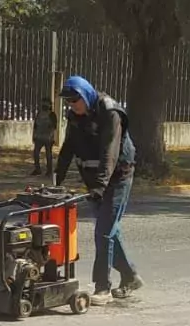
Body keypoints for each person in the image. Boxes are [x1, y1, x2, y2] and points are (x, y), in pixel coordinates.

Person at [53, 75, 144, 306]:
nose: (72, 106)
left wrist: (101, 186)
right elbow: (68, 148)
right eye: (69, 103)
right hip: (95, 180)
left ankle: (102, 287)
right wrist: (56, 179)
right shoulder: (75, 116)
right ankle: (131, 276)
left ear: (86, 95)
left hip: (118, 177)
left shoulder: (110, 113)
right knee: (109, 231)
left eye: (76, 101)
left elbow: (110, 152)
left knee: (103, 231)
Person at [31, 98, 57, 176]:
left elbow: (54, 127)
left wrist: (51, 136)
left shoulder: (52, 115)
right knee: (36, 153)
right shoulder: (39, 114)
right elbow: (35, 126)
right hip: (39, 137)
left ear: (49, 105)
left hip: (48, 138)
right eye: (43, 104)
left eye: (46, 104)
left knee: (48, 154)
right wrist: (34, 135)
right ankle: (37, 169)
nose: (44, 105)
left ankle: (49, 171)